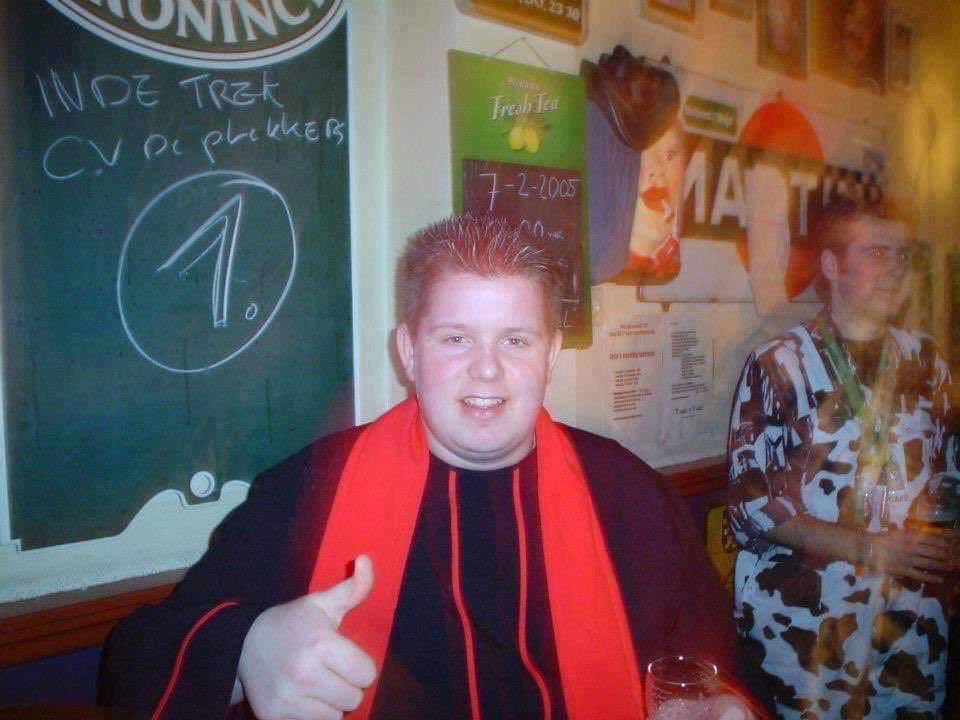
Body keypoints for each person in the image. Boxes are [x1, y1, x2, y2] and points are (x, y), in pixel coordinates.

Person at [99, 215, 742, 720]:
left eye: (515, 340)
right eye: (455, 338)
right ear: (408, 351)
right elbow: (131, 663)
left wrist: (719, 707)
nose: (486, 370)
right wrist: (246, 652)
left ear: (550, 355)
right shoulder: (307, 492)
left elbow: (719, 672)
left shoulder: (631, 498)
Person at [727, 196, 959, 719]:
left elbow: (950, 475)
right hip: (805, 638)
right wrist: (870, 548)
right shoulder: (778, 365)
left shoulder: (928, 362)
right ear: (831, 265)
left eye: (903, 256)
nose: (895, 269)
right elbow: (751, 507)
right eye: (878, 253)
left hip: (910, 631)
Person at [582, 45, 685, 286]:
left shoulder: (664, 257)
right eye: (645, 156)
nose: (657, 172)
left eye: (670, 155)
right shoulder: (608, 256)